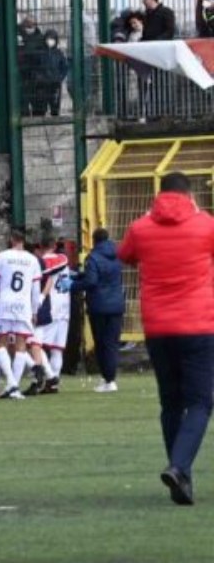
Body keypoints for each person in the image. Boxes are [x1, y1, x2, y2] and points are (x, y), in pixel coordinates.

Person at [118, 172, 214, 505]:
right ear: (189, 195)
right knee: (200, 402)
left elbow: (126, 255)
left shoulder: (141, 227)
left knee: (170, 402)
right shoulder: (206, 225)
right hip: (199, 325)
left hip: (158, 328)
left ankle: (180, 477)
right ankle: (179, 466)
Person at [0, 229, 52, 399]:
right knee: (21, 346)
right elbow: (35, 288)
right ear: (24, 241)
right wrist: (34, 310)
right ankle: (13, 387)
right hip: (23, 307)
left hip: (5, 305)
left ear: (11, 239)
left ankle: (12, 384)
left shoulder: (2, 256)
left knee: (0, 344)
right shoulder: (32, 260)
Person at [72, 227, 126, 393]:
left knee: (102, 344)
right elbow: (106, 276)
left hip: (99, 306)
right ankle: (109, 377)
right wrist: (80, 275)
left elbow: (92, 281)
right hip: (117, 304)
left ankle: (109, 380)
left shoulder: (93, 257)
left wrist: (73, 285)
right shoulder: (117, 255)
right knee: (112, 343)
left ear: (94, 240)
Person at [31, 236, 72, 394]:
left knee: (35, 344)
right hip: (65, 308)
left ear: (40, 246)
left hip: (51, 307)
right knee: (57, 349)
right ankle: (54, 381)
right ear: (54, 246)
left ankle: (50, 377)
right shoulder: (63, 260)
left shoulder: (44, 262)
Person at [31, 29, 69, 117]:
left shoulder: (59, 53)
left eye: (52, 39)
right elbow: (34, 66)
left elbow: (64, 67)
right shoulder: (39, 52)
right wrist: (38, 77)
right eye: (48, 38)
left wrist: (60, 77)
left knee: (55, 107)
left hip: (55, 84)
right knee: (40, 108)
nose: (50, 41)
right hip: (42, 85)